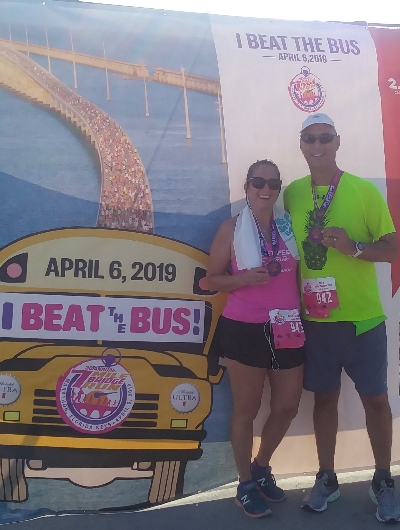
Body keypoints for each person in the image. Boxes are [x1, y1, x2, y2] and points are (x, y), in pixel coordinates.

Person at [284, 112, 400, 523]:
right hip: (315, 323)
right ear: (301, 144)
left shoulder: (362, 191)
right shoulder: (292, 194)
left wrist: (353, 248)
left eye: (325, 138)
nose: (318, 145)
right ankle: (327, 477)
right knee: (324, 400)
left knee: (376, 402)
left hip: (363, 320)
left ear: (337, 142)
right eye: (310, 138)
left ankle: (384, 479)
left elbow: (392, 248)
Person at [207, 159, 305, 518]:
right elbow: (209, 280)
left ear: (279, 189)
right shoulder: (230, 229)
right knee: (246, 411)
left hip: (288, 326)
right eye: (258, 181)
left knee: (287, 407)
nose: (266, 188)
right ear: (247, 187)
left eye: (273, 183)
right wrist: (242, 280)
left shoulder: (287, 226)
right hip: (244, 329)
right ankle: (245, 483)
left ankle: (262, 467)